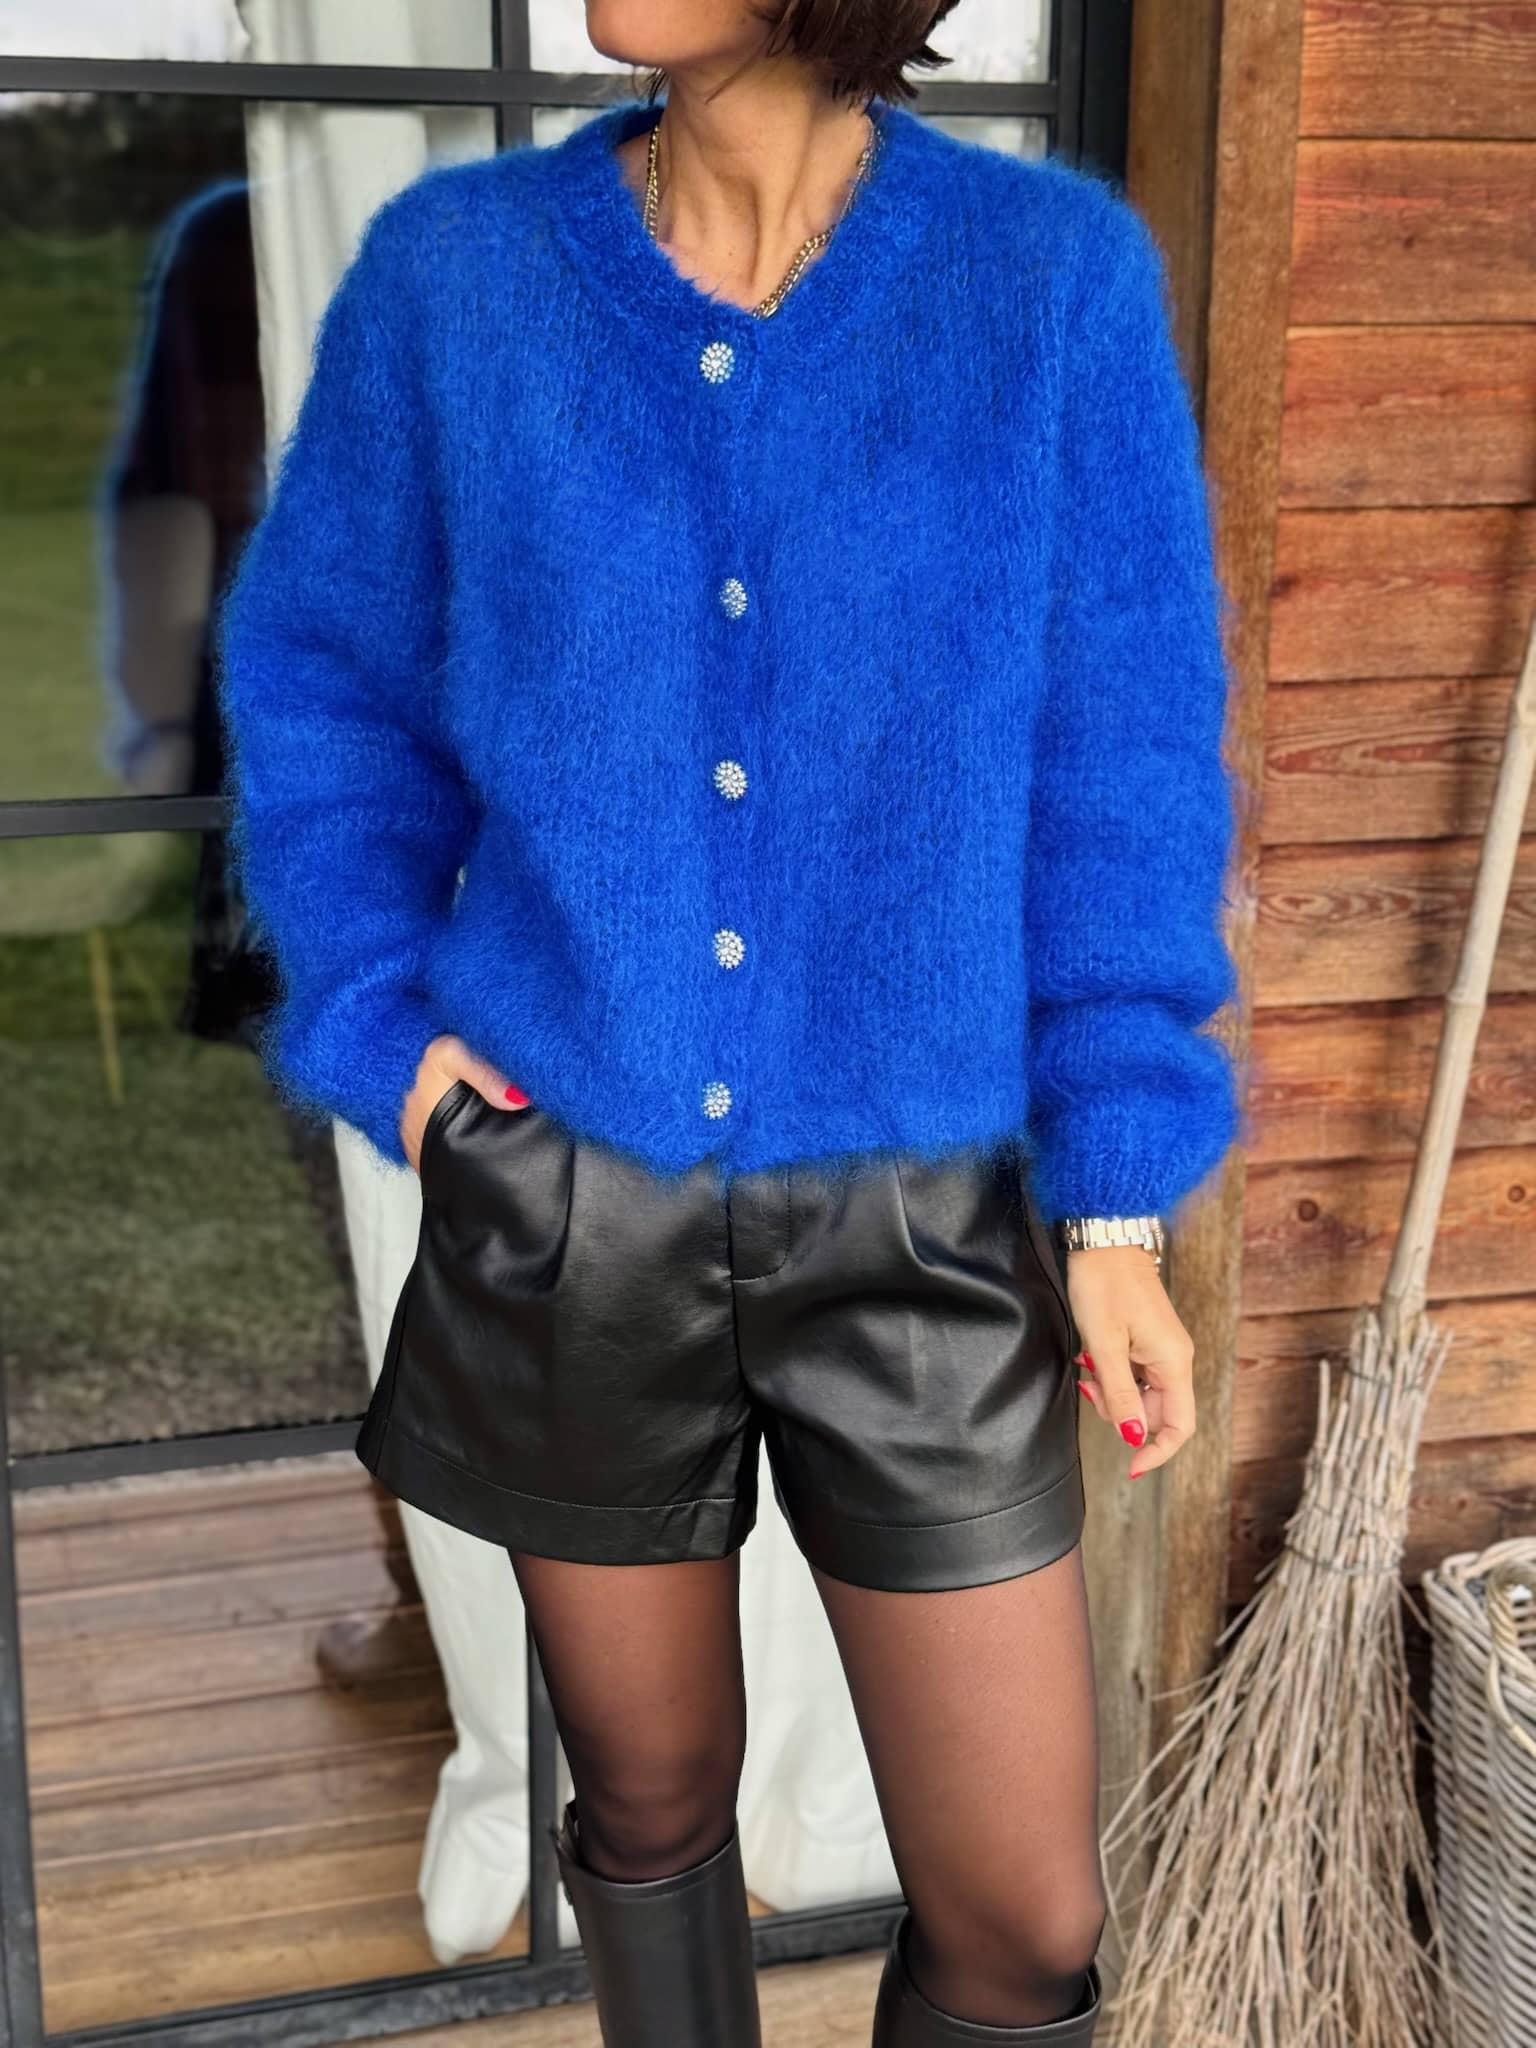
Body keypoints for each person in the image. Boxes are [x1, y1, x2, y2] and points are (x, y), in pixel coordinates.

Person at [215, 3, 1250, 2042]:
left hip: (925, 1224)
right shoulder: (459, 280)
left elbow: (1122, 766)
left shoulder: (1047, 286)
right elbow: (325, 683)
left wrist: (1117, 1200)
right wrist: (388, 1035)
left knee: (1026, 1918)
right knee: (652, 1802)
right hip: (568, 1203)